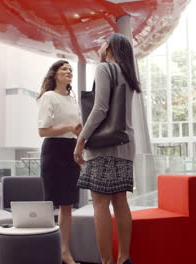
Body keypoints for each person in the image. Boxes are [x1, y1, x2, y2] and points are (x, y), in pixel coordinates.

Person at [73, 33, 141, 264]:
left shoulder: (104, 68)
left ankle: (107, 261)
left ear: (110, 47)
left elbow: (100, 108)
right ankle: (123, 258)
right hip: (125, 143)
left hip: (103, 147)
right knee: (120, 200)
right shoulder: (129, 74)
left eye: (103, 42)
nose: (100, 46)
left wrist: (81, 139)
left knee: (100, 203)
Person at [37, 60, 82, 264]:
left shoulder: (73, 101)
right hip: (54, 150)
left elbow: (75, 129)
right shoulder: (49, 97)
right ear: (55, 74)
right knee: (51, 203)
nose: (69, 71)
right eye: (64, 69)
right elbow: (42, 131)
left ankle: (65, 252)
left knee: (68, 204)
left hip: (71, 151)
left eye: (71, 69)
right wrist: (70, 128)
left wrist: (79, 134)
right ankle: (45, 250)